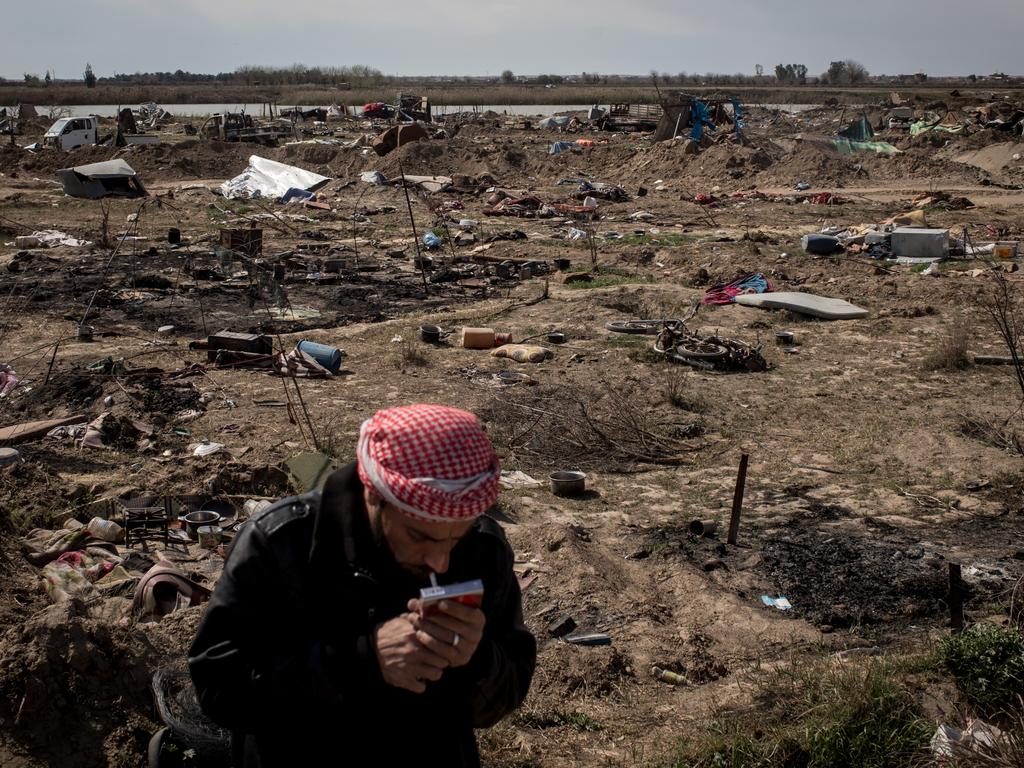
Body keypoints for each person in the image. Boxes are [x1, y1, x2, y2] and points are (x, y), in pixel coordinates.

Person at [188, 404, 536, 767]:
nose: (440, 562)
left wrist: (475, 659)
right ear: (373, 497)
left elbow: (507, 691)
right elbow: (220, 689)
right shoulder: (281, 545)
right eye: (420, 537)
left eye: (454, 539)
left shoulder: (482, 550)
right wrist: (362, 659)